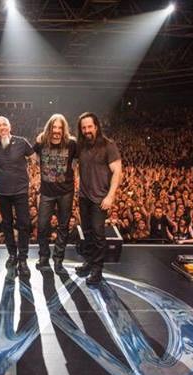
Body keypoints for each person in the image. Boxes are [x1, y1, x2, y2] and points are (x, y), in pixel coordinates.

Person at [0, 116, 38, 277]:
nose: (2, 127)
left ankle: (23, 259)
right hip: (3, 192)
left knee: (24, 225)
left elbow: (34, 157)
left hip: (21, 191)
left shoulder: (21, 142)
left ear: (10, 126)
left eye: (4, 124)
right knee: (6, 224)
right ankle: (12, 254)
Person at [74, 112, 122, 286]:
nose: (87, 130)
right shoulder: (80, 146)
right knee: (86, 232)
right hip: (84, 196)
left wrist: (110, 196)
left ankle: (97, 270)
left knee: (98, 233)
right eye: (84, 128)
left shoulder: (108, 145)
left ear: (96, 127)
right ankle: (89, 262)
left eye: (89, 127)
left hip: (100, 198)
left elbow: (117, 171)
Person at [33, 114, 78, 275]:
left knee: (63, 226)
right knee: (42, 226)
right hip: (47, 192)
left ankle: (58, 259)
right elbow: (33, 158)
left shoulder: (72, 144)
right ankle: (43, 257)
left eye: (60, 127)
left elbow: (76, 162)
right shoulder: (41, 142)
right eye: (54, 127)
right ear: (49, 128)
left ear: (64, 129)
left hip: (66, 192)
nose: (57, 131)